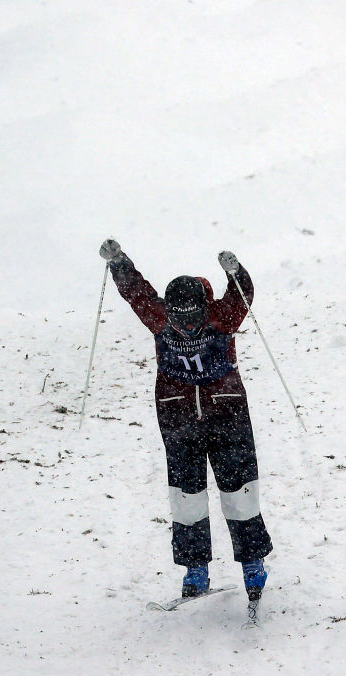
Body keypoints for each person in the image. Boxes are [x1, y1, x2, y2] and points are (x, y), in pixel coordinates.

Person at [98, 239, 272, 601]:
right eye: (180, 320)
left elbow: (242, 295)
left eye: (194, 318)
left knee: (240, 492)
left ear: (205, 307)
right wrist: (118, 262)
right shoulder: (160, 317)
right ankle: (196, 569)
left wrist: (236, 272)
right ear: (169, 311)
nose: (188, 327)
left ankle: (252, 562)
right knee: (186, 498)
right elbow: (136, 292)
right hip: (178, 419)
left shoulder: (222, 316)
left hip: (228, 416)